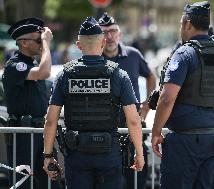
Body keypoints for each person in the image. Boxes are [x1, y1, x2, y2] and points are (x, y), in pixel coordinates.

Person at [42, 17, 145, 189]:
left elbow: (51, 120)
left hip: (77, 155)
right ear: (103, 42)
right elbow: (133, 120)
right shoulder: (119, 74)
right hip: (109, 154)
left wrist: (48, 156)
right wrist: (139, 154)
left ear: (78, 45)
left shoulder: (64, 75)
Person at [151, 1, 214, 189]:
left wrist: (156, 132)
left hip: (185, 142)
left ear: (187, 23)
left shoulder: (184, 53)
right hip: (212, 139)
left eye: (181, 23)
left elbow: (167, 98)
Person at [98, 13, 156, 189]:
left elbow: (151, 76)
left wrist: (146, 106)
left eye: (113, 31)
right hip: (104, 127)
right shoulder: (95, 58)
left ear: (119, 34)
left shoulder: (133, 54)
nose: (109, 36)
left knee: (136, 177)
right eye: (104, 32)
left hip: (132, 124)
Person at [2, 17, 56, 189]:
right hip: (23, 133)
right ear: (23, 43)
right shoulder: (14, 65)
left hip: (40, 131)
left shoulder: (31, 63)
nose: (41, 43)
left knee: (49, 182)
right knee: (23, 182)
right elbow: (44, 72)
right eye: (38, 40)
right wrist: (47, 43)